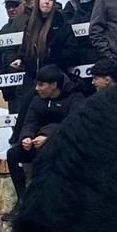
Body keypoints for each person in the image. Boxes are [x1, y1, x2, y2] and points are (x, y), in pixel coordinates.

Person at [6, 65, 79, 212]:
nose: (37, 88)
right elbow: (30, 122)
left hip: (61, 146)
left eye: (41, 85)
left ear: (53, 85)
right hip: (36, 143)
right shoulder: (37, 100)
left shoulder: (75, 98)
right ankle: (22, 200)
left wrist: (48, 137)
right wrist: (26, 137)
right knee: (13, 154)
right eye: (36, 84)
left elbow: (73, 124)